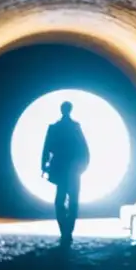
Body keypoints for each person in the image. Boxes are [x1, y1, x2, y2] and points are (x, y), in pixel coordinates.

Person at [41, 101, 90, 240]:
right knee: (73, 199)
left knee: (60, 198)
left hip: (60, 166)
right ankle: (69, 230)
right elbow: (84, 148)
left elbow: (46, 148)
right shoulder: (75, 127)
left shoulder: (54, 127)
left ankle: (64, 229)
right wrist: (84, 165)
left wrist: (44, 166)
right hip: (73, 168)